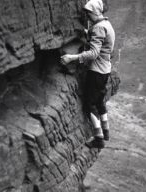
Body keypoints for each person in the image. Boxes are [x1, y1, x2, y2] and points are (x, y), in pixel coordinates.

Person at [60, 0, 115, 149]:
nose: (87, 16)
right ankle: (106, 132)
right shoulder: (107, 25)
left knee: (89, 105)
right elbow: (101, 42)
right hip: (105, 70)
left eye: (88, 13)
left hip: (96, 72)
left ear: (95, 11)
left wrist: (72, 57)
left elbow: (94, 53)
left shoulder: (98, 28)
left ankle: (99, 139)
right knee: (99, 102)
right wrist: (87, 33)